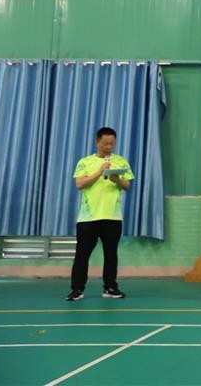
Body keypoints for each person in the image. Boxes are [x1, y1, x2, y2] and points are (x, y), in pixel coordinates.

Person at [66, 127, 133, 301]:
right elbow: (80, 184)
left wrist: (116, 179)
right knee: (82, 255)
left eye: (112, 144)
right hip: (88, 218)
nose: (109, 147)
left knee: (111, 254)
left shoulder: (121, 162)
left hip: (112, 217)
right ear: (97, 142)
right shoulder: (85, 162)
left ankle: (110, 287)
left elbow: (126, 186)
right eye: (105, 144)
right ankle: (77, 289)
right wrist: (100, 172)